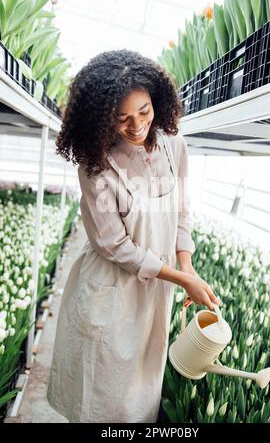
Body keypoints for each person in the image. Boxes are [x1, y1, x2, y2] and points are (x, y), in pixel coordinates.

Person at [47, 49, 221, 423]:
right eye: (121, 119)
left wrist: (186, 266)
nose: (137, 125)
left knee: (141, 396)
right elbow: (115, 246)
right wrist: (180, 278)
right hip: (111, 288)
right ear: (101, 119)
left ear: (156, 99)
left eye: (144, 111)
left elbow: (180, 213)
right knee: (103, 395)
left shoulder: (174, 146)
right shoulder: (96, 163)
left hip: (155, 290)